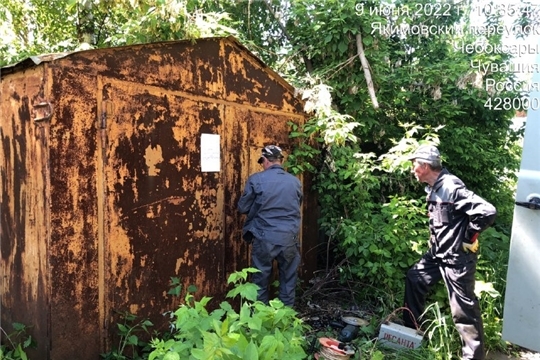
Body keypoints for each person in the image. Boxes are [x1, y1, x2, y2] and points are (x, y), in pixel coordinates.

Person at [403, 144, 497, 360]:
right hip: (437, 255)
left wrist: (469, 237)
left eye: (414, 165)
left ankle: (473, 357)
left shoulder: (451, 186)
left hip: (457, 259)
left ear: (425, 166)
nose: (412, 170)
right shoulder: (434, 187)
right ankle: (412, 333)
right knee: (415, 278)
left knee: (463, 311)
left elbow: (487, 211)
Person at [237, 145, 303, 307]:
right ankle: (285, 321)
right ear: (280, 161)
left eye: (262, 162)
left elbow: (243, 208)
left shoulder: (256, 179)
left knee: (260, 281)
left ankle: (260, 320)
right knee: (288, 280)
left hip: (264, 238)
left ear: (266, 160)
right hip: (289, 238)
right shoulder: (295, 182)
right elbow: (297, 204)